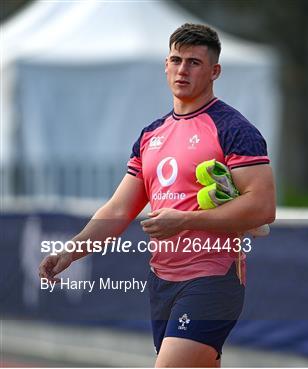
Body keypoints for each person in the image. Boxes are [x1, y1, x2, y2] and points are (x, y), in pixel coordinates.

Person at [39, 23, 276, 367]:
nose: (183, 70)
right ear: (166, 64)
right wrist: (70, 252)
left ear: (215, 71)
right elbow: (119, 209)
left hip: (212, 277)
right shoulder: (152, 135)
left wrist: (184, 220)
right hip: (162, 280)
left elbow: (263, 206)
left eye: (194, 62)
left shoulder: (233, 129)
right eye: (176, 60)